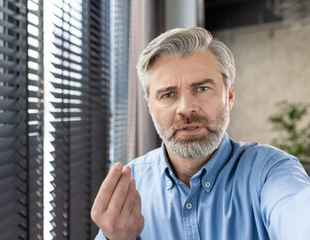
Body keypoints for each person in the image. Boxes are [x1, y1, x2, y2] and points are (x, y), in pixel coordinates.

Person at [91, 27, 310, 240]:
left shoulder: (270, 172)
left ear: (230, 95)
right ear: (150, 106)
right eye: (168, 94)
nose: (186, 108)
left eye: (202, 89)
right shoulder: (129, 188)